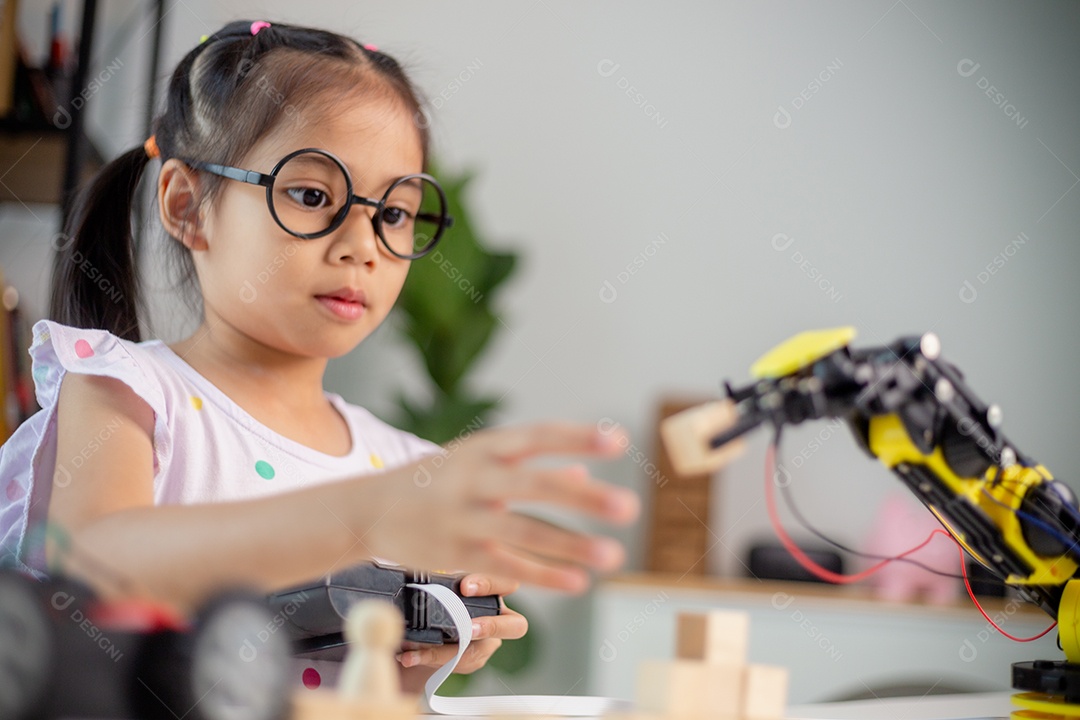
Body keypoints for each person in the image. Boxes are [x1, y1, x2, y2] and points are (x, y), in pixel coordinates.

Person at [0, 20, 639, 687]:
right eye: (312, 196)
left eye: (394, 213)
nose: (362, 245)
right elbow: (92, 572)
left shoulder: (404, 467)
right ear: (187, 207)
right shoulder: (122, 389)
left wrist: (449, 634)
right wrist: (357, 518)